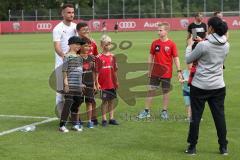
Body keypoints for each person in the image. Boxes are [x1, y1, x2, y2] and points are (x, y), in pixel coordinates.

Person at [184, 16, 229, 155]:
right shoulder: (226, 44)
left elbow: (189, 59)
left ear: (210, 28)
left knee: (195, 117)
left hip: (200, 85)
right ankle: (223, 147)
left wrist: (190, 45)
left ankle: (192, 147)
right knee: (219, 117)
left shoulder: (204, 44)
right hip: (218, 86)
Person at [137, 23, 182, 120]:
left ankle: (164, 111)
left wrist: (179, 71)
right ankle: (146, 111)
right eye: (158, 30)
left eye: (160, 30)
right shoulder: (155, 43)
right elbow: (150, 56)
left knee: (166, 92)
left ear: (166, 31)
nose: (158, 32)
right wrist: (149, 68)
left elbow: (176, 58)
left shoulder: (171, 44)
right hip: (155, 72)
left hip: (167, 73)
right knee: (150, 91)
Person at [53, 4, 77, 118]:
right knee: (60, 93)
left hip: (74, 66)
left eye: (72, 12)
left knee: (74, 92)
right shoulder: (57, 28)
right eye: (68, 12)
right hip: (60, 65)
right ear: (63, 13)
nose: (71, 14)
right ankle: (61, 118)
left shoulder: (75, 27)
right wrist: (64, 55)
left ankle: (73, 116)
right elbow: (57, 46)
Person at [59, 36, 84, 133]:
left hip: (78, 86)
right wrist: (66, 84)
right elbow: (64, 71)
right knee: (68, 105)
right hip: (69, 85)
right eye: (77, 44)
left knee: (76, 105)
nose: (79, 46)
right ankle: (62, 125)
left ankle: (75, 124)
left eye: (80, 45)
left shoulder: (79, 57)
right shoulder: (66, 56)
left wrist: (81, 84)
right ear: (71, 44)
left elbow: (80, 72)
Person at [76, 22, 99, 125]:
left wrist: (97, 81)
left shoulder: (92, 43)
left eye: (87, 29)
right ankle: (77, 120)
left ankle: (92, 118)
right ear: (78, 31)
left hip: (91, 75)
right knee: (78, 101)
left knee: (91, 99)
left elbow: (96, 58)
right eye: (84, 29)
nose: (86, 31)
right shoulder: (76, 43)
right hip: (79, 77)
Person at [95, 35, 119, 127]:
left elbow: (115, 70)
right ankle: (104, 119)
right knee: (104, 101)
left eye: (109, 44)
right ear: (102, 45)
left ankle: (111, 118)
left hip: (111, 82)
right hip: (103, 83)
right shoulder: (99, 57)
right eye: (106, 44)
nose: (108, 46)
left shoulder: (113, 56)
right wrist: (97, 83)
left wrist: (116, 81)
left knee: (112, 100)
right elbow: (96, 72)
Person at [78, 37, 96, 129]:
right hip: (80, 84)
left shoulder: (92, 58)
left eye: (89, 46)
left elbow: (94, 71)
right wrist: (79, 83)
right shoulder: (76, 58)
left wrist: (95, 84)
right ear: (80, 46)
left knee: (89, 102)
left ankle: (89, 121)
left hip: (89, 83)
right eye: (85, 46)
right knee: (78, 103)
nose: (88, 48)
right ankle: (78, 121)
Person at [186, 12, 207, 86]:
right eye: (200, 17)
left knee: (201, 63)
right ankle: (190, 79)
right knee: (192, 63)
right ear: (195, 17)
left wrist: (203, 40)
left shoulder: (204, 25)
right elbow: (191, 36)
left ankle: (200, 78)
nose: (202, 18)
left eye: (202, 17)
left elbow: (206, 35)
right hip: (194, 45)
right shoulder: (192, 25)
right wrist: (188, 45)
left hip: (203, 45)